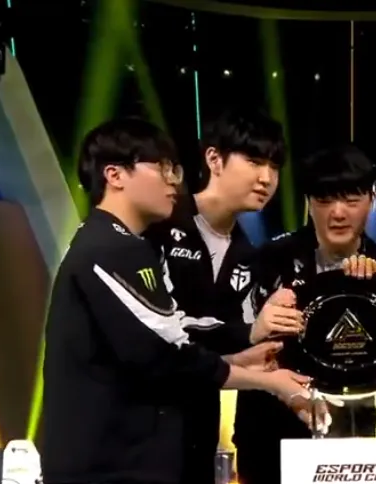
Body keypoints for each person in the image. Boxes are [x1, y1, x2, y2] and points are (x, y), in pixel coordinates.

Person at [41, 118, 318, 484]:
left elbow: (164, 343)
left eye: (274, 166)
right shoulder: (123, 243)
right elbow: (167, 348)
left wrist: (244, 349)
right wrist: (265, 377)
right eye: (163, 168)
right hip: (114, 456)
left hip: (172, 445)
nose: (173, 180)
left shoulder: (248, 254)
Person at [142, 108, 296, 483]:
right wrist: (250, 333)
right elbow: (159, 331)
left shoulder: (249, 255)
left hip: (198, 428)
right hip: (138, 426)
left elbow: (225, 348)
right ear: (214, 158)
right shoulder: (158, 224)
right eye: (254, 161)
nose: (266, 178)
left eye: (274, 167)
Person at [233, 145, 376, 484]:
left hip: (361, 443)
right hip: (270, 438)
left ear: (372, 199)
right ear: (308, 202)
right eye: (324, 200)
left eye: (351, 200)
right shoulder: (267, 261)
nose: (338, 213)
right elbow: (234, 341)